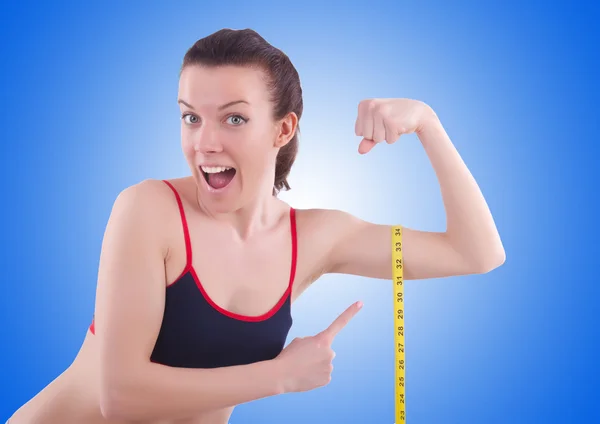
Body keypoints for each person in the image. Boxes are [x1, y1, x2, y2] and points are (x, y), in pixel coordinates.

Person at [6, 28, 505, 424]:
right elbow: (119, 395)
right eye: (190, 118)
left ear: (283, 129)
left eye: (234, 119)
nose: (204, 142)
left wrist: (427, 122)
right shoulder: (149, 210)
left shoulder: (313, 240)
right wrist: (279, 377)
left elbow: (475, 253)